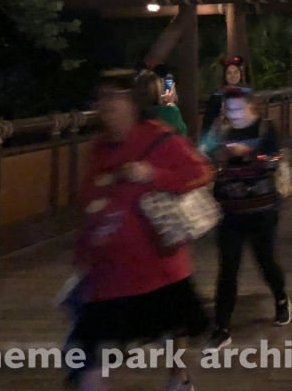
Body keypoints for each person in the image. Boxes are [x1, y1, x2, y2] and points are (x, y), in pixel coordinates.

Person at [66, 70, 214, 391]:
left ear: (133, 103)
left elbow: (201, 171)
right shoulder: (100, 148)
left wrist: (152, 173)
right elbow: (90, 198)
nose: (105, 106)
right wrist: (83, 255)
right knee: (89, 353)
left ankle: (179, 381)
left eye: (113, 98)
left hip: (159, 268)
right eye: (101, 98)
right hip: (109, 274)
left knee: (172, 332)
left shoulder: (158, 136)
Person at [199, 89, 291, 349]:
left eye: (238, 109)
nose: (233, 115)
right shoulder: (220, 132)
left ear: (252, 107)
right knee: (228, 267)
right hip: (230, 209)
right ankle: (221, 326)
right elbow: (203, 155)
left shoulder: (265, 129)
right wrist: (217, 156)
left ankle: (281, 298)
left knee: (265, 259)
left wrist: (248, 154)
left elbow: (274, 160)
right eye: (229, 110)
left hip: (262, 208)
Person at [202, 58, 250, 134]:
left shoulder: (247, 94)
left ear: (240, 74)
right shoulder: (217, 96)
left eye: (236, 72)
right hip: (224, 134)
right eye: (229, 73)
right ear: (225, 76)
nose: (233, 76)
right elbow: (208, 121)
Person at [137, 69, 188, 135]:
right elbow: (183, 135)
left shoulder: (133, 112)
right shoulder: (170, 112)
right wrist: (171, 104)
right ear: (159, 90)